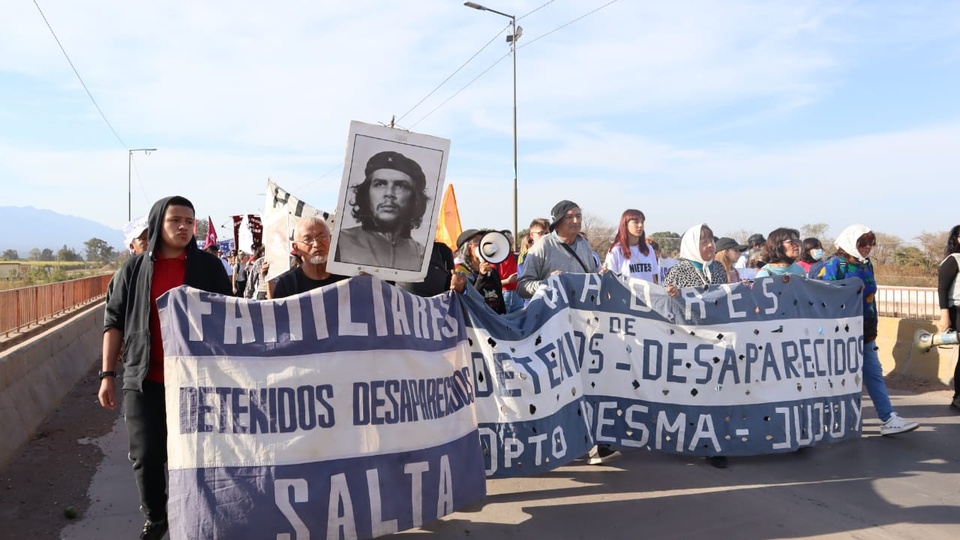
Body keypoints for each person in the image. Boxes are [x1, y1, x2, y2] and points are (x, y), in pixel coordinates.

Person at [100, 196, 232, 540]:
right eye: (176, 220)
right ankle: (156, 517)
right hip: (143, 378)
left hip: (198, 381)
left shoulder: (210, 268)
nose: (184, 227)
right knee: (146, 455)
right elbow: (112, 321)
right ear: (159, 223)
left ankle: (198, 513)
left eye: (190, 221)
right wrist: (107, 375)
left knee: (197, 452)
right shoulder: (134, 269)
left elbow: (234, 318)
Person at [516, 200, 620, 465]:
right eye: (571, 216)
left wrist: (601, 276)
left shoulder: (584, 245)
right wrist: (549, 284)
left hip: (585, 327)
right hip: (554, 330)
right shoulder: (542, 248)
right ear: (558, 219)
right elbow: (522, 285)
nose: (576, 220)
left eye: (579, 216)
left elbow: (591, 276)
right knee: (561, 387)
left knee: (589, 383)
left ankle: (593, 442)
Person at [813, 224, 920, 435]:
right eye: (862, 243)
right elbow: (821, 297)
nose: (866, 248)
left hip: (866, 331)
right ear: (850, 243)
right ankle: (824, 420)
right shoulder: (834, 265)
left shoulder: (866, 265)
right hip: (838, 334)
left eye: (870, 243)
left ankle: (889, 418)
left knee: (873, 374)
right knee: (834, 378)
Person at [335, 150, 429, 271]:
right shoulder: (339, 243)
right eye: (380, 184)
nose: (389, 193)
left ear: (414, 198)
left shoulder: (421, 255)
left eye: (400, 185)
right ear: (366, 193)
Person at [270, 216, 348, 299]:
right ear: (296, 248)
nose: (316, 244)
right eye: (308, 239)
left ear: (331, 240)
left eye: (321, 237)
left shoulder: (348, 280)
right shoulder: (286, 286)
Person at [663, 223, 727, 297]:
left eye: (711, 240)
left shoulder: (719, 267)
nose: (710, 245)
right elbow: (666, 300)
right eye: (704, 242)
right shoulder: (678, 271)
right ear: (692, 246)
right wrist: (673, 293)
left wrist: (742, 288)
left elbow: (726, 296)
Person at [453, 229, 506, 314]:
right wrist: (481, 277)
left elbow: (499, 298)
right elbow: (469, 298)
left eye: (483, 240)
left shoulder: (493, 272)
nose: (482, 244)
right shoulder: (462, 273)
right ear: (467, 250)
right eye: (477, 241)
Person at [936, 224, 960, 410]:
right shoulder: (953, 260)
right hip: (957, 309)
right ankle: (958, 397)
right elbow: (942, 288)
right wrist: (945, 315)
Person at [604, 209, 659, 283]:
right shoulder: (616, 250)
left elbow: (654, 279)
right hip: (625, 294)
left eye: (642, 222)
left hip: (648, 294)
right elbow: (610, 280)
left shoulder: (648, 248)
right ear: (625, 225)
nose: (640, 225)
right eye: (636, 222)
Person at [495, 230, 523, 313]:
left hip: (518, 293)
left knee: (518, 320)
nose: (510, 244)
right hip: (503, 294)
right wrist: (507, 281)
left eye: (511, 241)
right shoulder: (495, 260)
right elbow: (492, 283)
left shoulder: (516, 257)